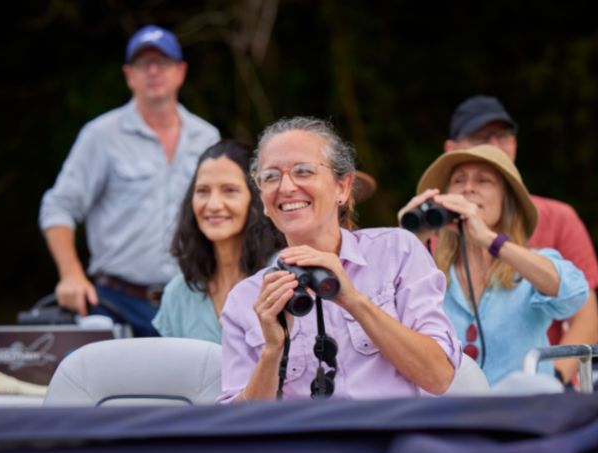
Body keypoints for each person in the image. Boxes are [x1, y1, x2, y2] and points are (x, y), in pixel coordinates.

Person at [218, 117, 461, 403]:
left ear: (343, 188)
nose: (285, 187)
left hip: (391, 441)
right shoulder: (245, 299)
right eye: (270, 177)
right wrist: (273, 349)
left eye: (303, 171)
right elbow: (238, 428)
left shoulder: (397, 251)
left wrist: (353, 300)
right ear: (263, 201)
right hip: (305, 446)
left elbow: (438, 377)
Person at [39, 25, 220, 337]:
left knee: (194, 386)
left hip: (192, 299)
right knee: (120, 387)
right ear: (128, 75)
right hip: (116, 304)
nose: (152, 71)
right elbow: (58, 207)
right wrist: (71, 274)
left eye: (161, 63)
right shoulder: (101, 135)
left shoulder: (207, 137)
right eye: (142, 64)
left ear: (180, 72)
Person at [439, 95, 598, 383]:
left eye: (502, 136)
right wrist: (410, 238)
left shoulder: (559, 217)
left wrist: (550, 379)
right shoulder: (435, 236)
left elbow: (583, 315)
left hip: (532, 388)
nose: (494, 146)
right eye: (480, 137)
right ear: (451, 150)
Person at [398, 145, 589, 385]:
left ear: (506, 201)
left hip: (520, 412)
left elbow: (573, 295)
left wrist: (489, 239)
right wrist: (407, 239)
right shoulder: (428, 275)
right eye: (458, 180)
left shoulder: (530, 266)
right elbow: (376, 311)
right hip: (451, 413)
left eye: (483, 181)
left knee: (532, 385)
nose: (468, 188)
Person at [151, 140, 285, 343]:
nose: (213, 204)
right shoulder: (177, 294)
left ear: (256, 199)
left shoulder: (281, 276)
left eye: (229, 190)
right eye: (203, 191)